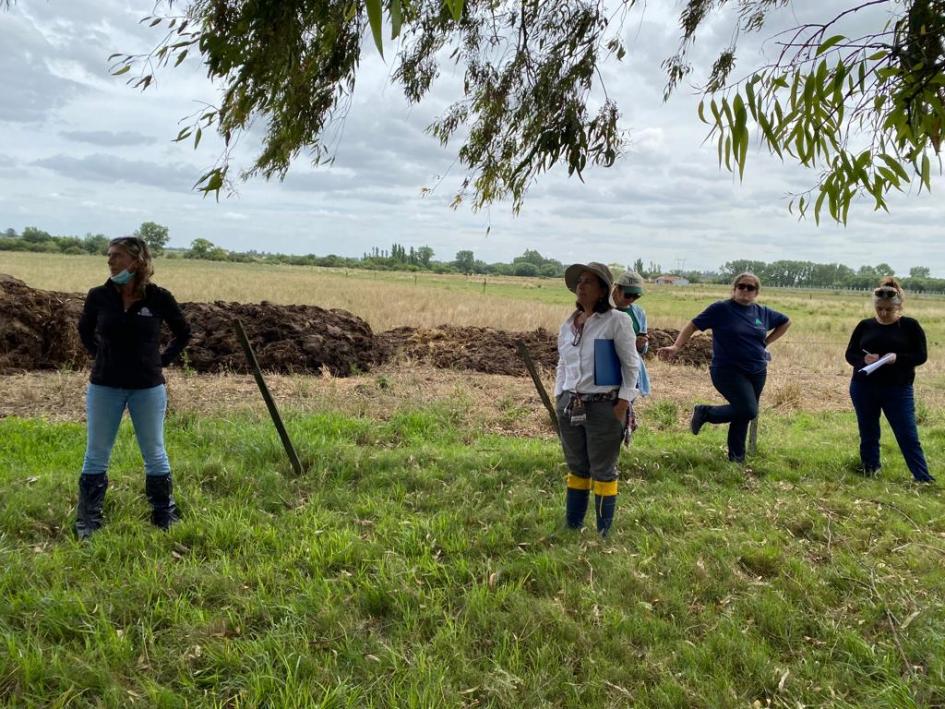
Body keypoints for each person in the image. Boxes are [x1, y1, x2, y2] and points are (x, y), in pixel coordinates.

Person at [75, 236, 191, 539]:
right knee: (96, 453)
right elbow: (84, 330)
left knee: (154, 451)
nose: (110, 261)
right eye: (109, 256)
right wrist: (101, 356)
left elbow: (183, 332)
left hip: (147, 387)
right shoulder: (98, 295)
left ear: (137, 261)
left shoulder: (159, 297)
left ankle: (163, 511)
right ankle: (89, 518)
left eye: (117, 256)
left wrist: (161, 361)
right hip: (105, 385)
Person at [657, 272, 790, 463]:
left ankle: (737, 458)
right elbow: (692, 325)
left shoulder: (763, 312)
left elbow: (786, 322)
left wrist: (766, 343)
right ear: (734, 289)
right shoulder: (721, 309)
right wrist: (677, 346)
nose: (745, 290)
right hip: (728, 370)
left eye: (750, 287)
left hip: (757, 370)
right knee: (749, 409)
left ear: (756, 292)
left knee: (742, 412)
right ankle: (705, 412)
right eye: (741, 286)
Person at [554, 262, 639, 536]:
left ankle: (603, 533)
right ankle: (573, 525)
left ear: (603, 290)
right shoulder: (569, 324)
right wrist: (560, 394)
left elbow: (631, 365)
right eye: (580, 281)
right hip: (570, 404)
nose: (582, 285)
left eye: (589, 281)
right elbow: (563, 365)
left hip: (604, 406)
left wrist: (623, 403)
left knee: (603, 469)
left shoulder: (617, 321)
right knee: (577, 465)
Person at [844, 277, 934, 482]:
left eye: (888, 310)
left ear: (899, 306)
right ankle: (870, 468)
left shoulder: (910, 326)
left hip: (898, 389)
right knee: (868, 431)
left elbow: (921, 356)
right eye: (879, 309)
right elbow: (850, 354)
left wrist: (897, 358)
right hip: (863, 387)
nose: (883, 313)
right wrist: (863, 359)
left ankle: (922, 477)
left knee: (907, 434)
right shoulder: (864, 326)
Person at [612, 270, 651, 397]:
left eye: (636, 296)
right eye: (628, 295)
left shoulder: (639, 313)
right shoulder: (602, 309)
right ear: (617, 289)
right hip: (608, 366)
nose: (631, 299)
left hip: (629, 369)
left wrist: (640, 344)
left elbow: (642, 350)